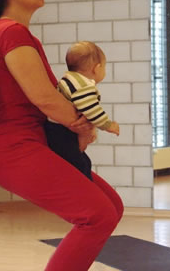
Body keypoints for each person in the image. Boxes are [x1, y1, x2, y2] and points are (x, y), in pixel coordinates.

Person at [0, 0, 124, 271]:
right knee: (97, 214)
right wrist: (84, 125)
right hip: (12, 148)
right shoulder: (10, 32)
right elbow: (44, 97)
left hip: (31, 143)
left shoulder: (15, 33)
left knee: (110, 205)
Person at [45, 40, 120, 180]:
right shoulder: (84, 86)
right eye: (104, 67)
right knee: (78, 166)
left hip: (55, 130)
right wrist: (109, 125)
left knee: (82, 162)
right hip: (61, 132)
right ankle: (82, 192)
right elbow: (92, 110)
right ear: (96, 69)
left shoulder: (68, 79)